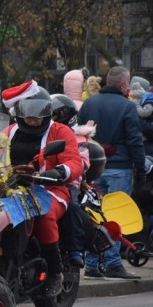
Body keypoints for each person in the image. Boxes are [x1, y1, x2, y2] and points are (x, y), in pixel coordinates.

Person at [0, 82, 83, 296]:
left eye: (37, 115)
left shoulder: (60, 131)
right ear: (19, 114)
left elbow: (74, 161)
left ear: (47, 113)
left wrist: (59, 172)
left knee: (44, 215)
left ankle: (56, 272)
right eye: (28, 115)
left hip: (50, 189)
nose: (32, 120)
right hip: (11, 189)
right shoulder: (9, 132)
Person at [78, 65, 146, 280]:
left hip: (93, 170)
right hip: (120, 168)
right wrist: (141, 167)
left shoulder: (89, 103)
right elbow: (135, 140)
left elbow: (79, 137)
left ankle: (91, 263)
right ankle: (114, 263)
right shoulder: (126, 107)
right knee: (116, 217)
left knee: (94, 216)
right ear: (124, 84)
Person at [50, 93, 96, 269]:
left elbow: (83, 162)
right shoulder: (47, 133)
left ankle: (76, 249)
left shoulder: (78, 137)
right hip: (44, 180)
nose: (50, 120)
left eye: (53, 116)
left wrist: (64, 169)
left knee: (72, 206)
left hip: (68, 182)